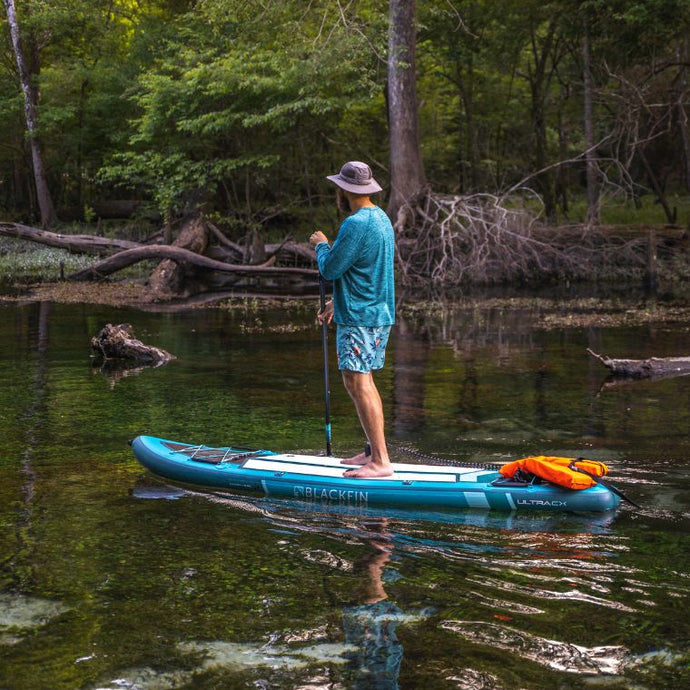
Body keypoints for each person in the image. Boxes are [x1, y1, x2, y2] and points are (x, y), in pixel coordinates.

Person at [309, 161, 395, 478]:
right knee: (361, 379)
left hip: (361, 316)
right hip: (374, 311)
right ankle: (372, 452)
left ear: (344, 190)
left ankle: (381, 463)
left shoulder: (356, 224)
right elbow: (366, 269)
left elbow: (330, 268)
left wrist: (321, 246)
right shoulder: (381, 219)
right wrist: (337, 301)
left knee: (357, 381)